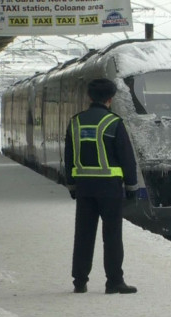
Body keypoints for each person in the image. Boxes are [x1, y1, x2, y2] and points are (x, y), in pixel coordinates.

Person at [64, 78, 139, 294]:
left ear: (89, 97)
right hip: (110, 188)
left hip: (84, 187)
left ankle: (79, 281)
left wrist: (71, 184)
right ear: (110, 98)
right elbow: (126, 157)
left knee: (83, 234)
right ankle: (114, 281)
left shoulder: (76, 122)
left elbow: (68, 156)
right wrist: (132, 186)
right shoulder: (113, 122)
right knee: (112, 235)